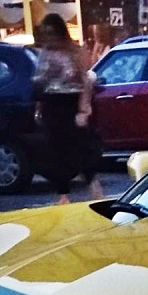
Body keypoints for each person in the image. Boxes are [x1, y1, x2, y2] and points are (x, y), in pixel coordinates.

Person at [33, 12, 103, 205]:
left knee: (80, 146)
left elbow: (85, 80)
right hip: (51, 103)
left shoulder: (74, 51)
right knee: (56, 149)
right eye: (45, 33)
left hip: (70, 102)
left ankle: (93, 185)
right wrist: (39, 106)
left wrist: (83, 109)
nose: (49, 38)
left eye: (52, 33)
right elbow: (41, 82)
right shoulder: (45, 53)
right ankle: (63, 193)